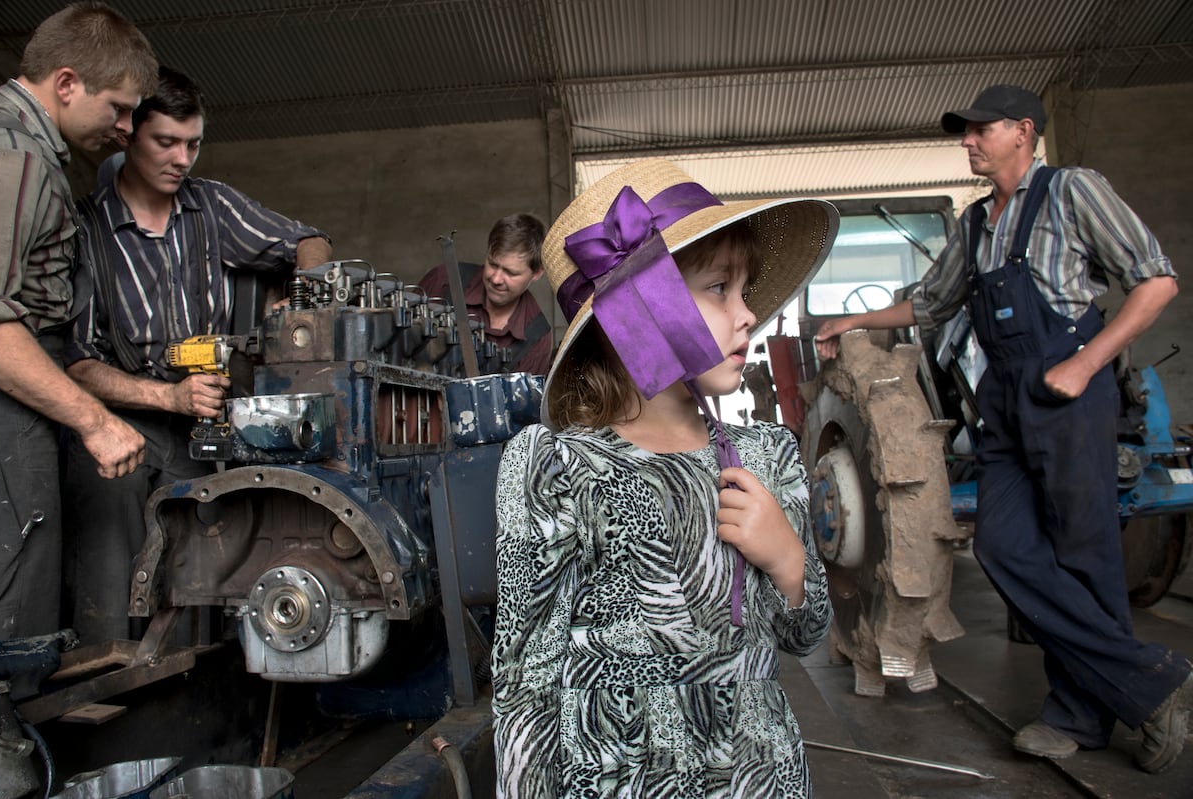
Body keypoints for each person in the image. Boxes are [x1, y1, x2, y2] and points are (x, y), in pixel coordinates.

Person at [815, 84, 1192, 774]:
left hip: (1069, 393)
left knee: (1086, 558)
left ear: (1024, 131)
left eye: (979, 130)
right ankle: (1154, 680)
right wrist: (853, 320)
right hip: (1008, 401)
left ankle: (1082, 714)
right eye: (964, 132)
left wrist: (1086, 364)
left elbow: (1156, 280)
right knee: (1002, 544)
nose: (967, 140)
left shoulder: (1074, 192)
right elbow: (930, 303)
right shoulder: (974, 223)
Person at [491, 159, 838, 797]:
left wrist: (789, 562)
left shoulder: (764, 458)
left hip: (757, 777)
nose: (747, 315)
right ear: (640, 311)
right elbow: (525, 680)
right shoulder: (555, 467)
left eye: (746, 290)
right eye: (718, 289)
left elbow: (803, 635)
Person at [62, 67, 332, 644]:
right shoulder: (85, 229)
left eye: (194, 143)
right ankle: (110, 671)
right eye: (166, 142)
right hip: (124, 422)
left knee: (210, 565)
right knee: (111, 566)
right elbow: (79, 363)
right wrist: (167, 395)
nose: (182, 158)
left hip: (205, 428)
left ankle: (203, 681)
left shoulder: (211, 207)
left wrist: (301, 304)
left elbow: (310, 240)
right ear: (127, 133)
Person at [0, 2, 154, 642]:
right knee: (16, 607)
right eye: (117, 107)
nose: (123, 128)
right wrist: (96, 420)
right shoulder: (16, 157)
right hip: (7, 408)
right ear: (66, 84)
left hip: (24, 402)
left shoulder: (27, 148)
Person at [417, 213, 551, 375]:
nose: (496, 279)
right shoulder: (444, 280)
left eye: (510, 273)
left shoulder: (537, 335)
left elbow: (522, 400)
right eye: (493, 264)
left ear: (537, 273)